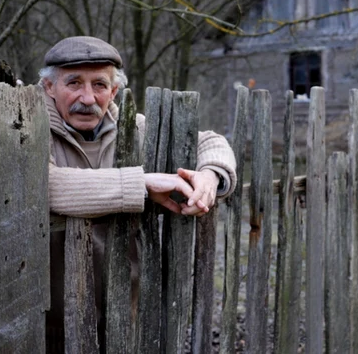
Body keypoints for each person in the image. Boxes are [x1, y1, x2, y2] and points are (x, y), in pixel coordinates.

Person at [39, 36, 237, 350]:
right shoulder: (28, 128)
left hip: (122, 310)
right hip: (47, 321)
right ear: (49, 87)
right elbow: (46, 187)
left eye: (100, 85)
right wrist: (141, 184)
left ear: (114, 91)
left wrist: (210, 176)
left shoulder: (133, 129)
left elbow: (210, 141)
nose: (87, 98)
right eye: (74, 83)